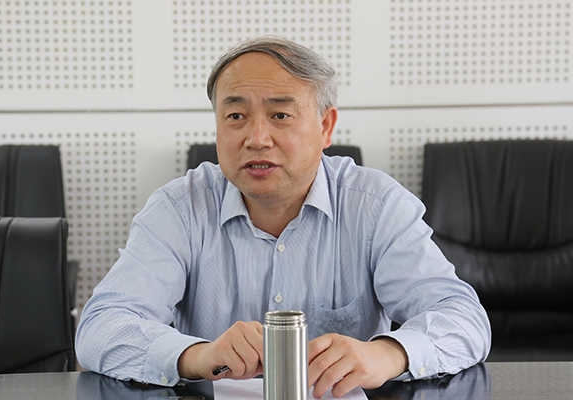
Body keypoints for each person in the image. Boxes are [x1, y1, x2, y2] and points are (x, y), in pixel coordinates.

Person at [76, 36, 491, 398]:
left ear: (325, 126)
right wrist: (197, 355)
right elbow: (101, 327)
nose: (257, 139)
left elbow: (464, 319)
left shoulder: (375, 205)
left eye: (280, 115)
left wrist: (388, 353)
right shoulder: (179, 208)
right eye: (235, 116)